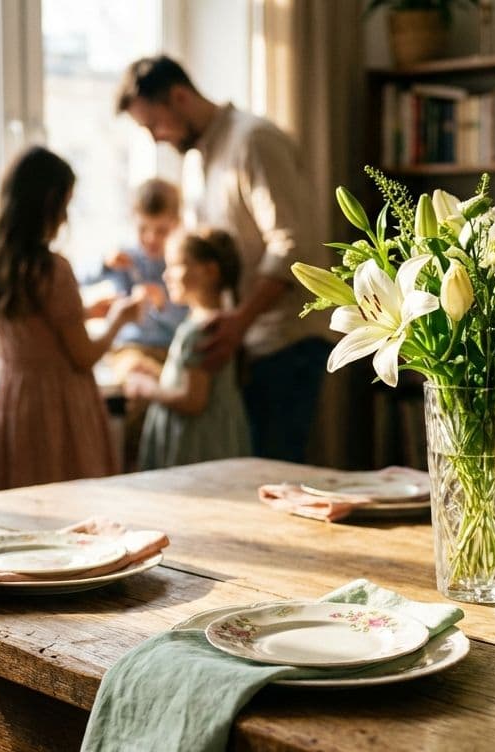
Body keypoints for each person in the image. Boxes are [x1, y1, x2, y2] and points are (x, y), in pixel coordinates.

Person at [115, 55, 330, 463]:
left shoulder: (254, 142)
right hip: (241, 344)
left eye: (153, 124)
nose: (156, 138)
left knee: (270, 480)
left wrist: (240, 321)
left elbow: (294, 243)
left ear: (179, 97)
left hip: (284, 342)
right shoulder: (198, 162)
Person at [0, 146, 144, 489]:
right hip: (58, 407)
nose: (66, 218)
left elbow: (33, 328)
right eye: (65, 205)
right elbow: (83, 356)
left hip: (17, 399)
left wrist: (83, 312)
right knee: (71, 506)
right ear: (49, 204)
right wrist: (118, 319)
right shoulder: (52, 269)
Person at [83, 178, 188, 468]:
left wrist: (162, 305)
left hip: (170, 348)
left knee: (178, 394)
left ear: (177, 224)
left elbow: (188, 318)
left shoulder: (180, 261)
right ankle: (139, 468)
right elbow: (80, 278)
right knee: (143, 386)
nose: (151, 239)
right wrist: (105, 263)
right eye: (144, 229)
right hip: (131, 348)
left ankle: (169, 465)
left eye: (161, 231)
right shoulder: (127, 257)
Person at [129, 228, 252, 470]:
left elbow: (193, 400)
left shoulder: (202, 329)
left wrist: (147, 388)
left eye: (175, 266)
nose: (166, 276)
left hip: (197, 444)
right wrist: (157, 375)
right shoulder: (208, 322)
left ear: (210, 271)